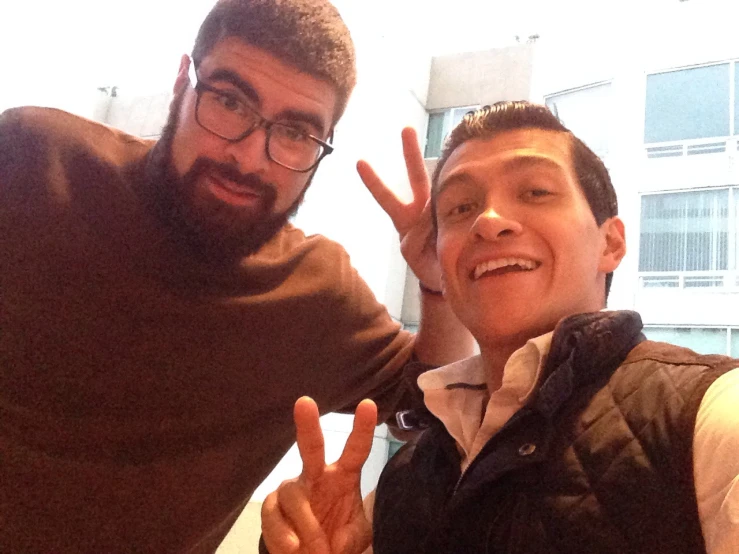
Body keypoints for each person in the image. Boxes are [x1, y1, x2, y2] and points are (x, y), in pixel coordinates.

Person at [0, 1, 474, 552]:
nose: (251, 158)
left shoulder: (316, 294)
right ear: (182, 82)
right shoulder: (34, 160)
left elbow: (432, 403)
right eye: (229, 102)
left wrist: (438, 284)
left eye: (295, 133)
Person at [261, 101, 739, 554]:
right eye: (460, 208)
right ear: (442, 269)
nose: (488, 222)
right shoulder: (403, 480)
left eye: (535, 192)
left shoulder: (710, 417)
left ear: (610, 243)